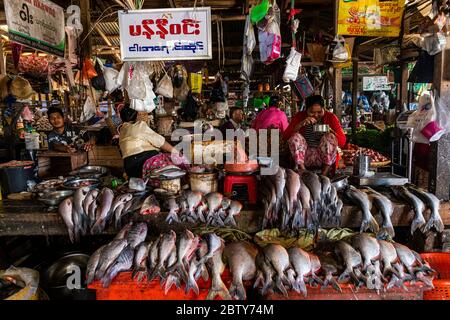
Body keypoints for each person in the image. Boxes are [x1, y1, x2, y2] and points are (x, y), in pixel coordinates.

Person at [283, 95, 346, 176]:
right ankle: (304, 172)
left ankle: (324, 174)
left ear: (324, 109)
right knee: (295, 137)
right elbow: (285, 137)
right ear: (307, 110)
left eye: (319, 112)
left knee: (330, 137)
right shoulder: (300, 116)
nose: (316, 115)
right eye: (312, 112)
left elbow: (342, 142)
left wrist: (330, 131)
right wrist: (300, 124)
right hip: (303, 158)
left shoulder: (331, 117)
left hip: (323, 159)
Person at [119, 105, 187, 179]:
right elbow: (160, 142)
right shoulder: (139, 126)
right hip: (143, 163)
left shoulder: (123, 129)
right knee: (175, 164)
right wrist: (177, 152)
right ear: (137, 115)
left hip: (130, 169)